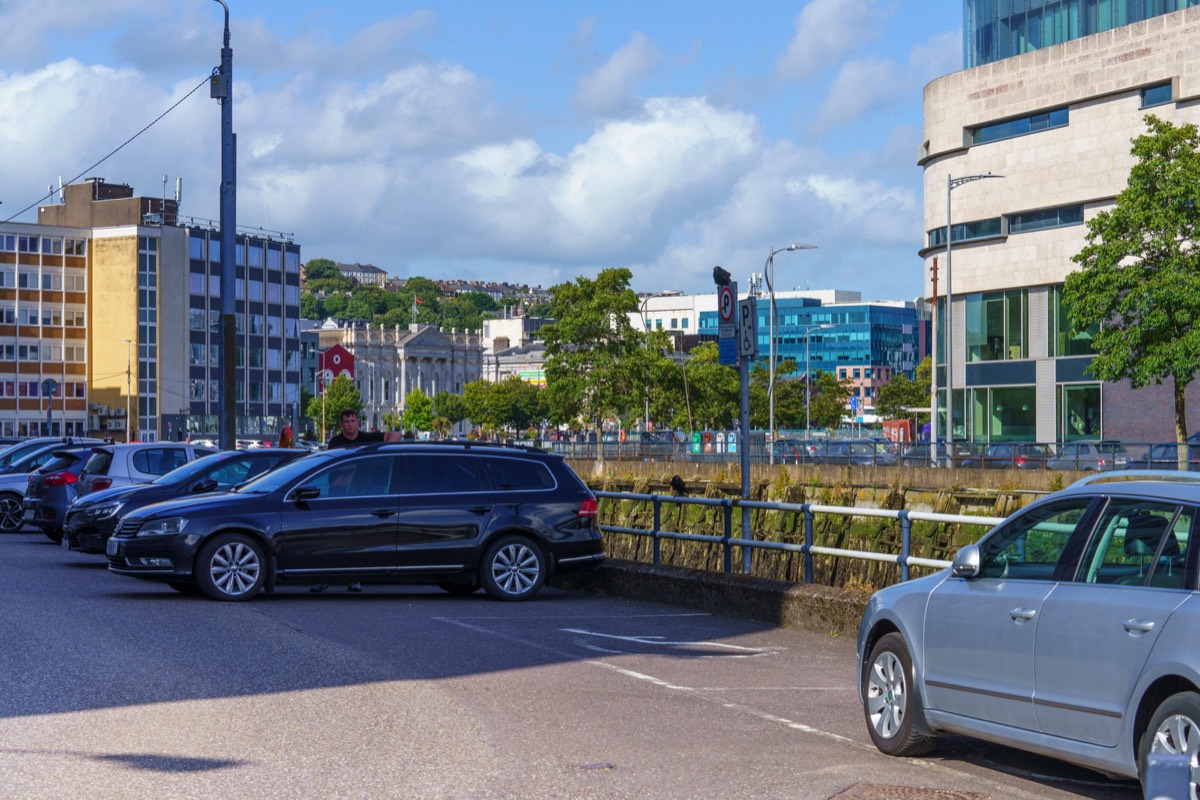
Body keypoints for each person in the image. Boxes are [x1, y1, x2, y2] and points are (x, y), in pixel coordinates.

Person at [327, 410, 403, 449]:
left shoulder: (368, 438)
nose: (350, 424)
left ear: (358, 422)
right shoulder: (335, 443)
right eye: (347, 421)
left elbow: (396, 435)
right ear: (341, 424)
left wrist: (386, 452)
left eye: (353, 421)